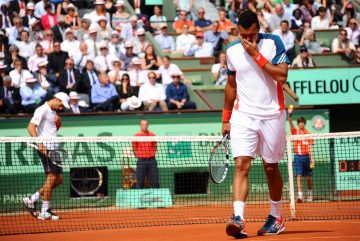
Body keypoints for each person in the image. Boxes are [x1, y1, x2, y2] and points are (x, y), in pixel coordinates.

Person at [223, 10, 289, 238]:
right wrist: (225, 118)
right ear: (238, 31)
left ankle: (276, 216)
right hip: (243, 116)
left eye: (252, 35)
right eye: (244, 36)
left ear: (258, 30)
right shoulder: (231, 50)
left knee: (271, 167)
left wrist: (255, 55)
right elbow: (231, 86)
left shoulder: (274, 43)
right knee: (241, 164)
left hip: (273, 114)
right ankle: (238, 218)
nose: (248, 40)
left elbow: (281, 77)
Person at [22, 92, 70, 220]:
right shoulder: (41, 109)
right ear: (56, 99)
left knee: (59, 179)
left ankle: (32, 199)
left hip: (54, 149)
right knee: (51, 177)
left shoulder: (54, 112)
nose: (61, 108)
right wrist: (40, 142)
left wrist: (59, 123)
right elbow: (30, 127)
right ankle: (45, 210)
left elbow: (53, 130)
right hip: (45, 148)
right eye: (61, 104)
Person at [287, 105, 314, 203]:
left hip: (307, 157)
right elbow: (290, 123)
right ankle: (300, 196)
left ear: (305, 124)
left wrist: (312, 159)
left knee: (308, 177)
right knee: (298, 176)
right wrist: (289, 114)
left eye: (302, 123)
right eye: (300, 123)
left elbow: (310, 148)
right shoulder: (295, 132)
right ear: (298, 124)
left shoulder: (308, 134)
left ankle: (310, 194)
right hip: (297, 157)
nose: (301, 124)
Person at [132, 119, 160, 189]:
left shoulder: (153, 135)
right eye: (143, 125)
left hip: (152, 161)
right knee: (140, 182)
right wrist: (141, 156)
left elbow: (154, 147)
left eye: (146, 124)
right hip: (141, 161)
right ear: (140, 126)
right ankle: (138, 198)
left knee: (155, 181)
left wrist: (150, 155)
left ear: (148, 125)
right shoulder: (136, 136)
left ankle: (157, 197)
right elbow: (134, 149)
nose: (144, 126)